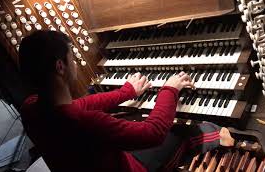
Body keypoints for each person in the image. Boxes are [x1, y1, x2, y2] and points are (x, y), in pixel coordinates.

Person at [19, 31, 235, 172]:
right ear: (60, 66)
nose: (74, 63)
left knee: (130, 121)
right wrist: (169, 89)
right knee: (181, 131)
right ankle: (215, 135)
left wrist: (126, 92)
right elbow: (154, 132)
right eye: (71, 58)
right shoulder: (87, 123)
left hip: (93, 163)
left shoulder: (30, 107)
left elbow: (78, 106)